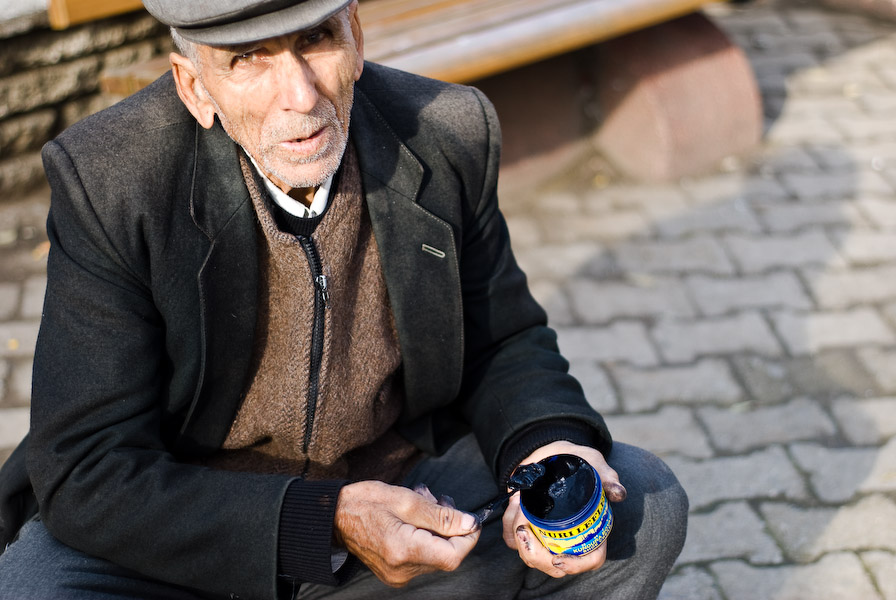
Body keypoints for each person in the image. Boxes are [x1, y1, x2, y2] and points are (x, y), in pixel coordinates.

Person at [0, 1, 688, 598]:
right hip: (192, 531)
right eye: (248, 59)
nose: (300, 96)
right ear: (194, 86)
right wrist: (320, 521)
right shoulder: (112, 180)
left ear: (355, 35)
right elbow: (88, 466)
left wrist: (545, 447)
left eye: (316, 39)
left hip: (400, 500)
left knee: (637, 508)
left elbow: (503, 340)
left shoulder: (448, 133)